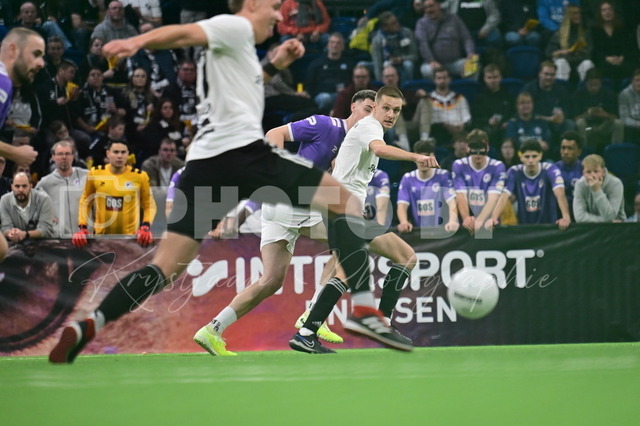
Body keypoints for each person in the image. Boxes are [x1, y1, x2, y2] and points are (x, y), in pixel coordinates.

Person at [49, 0, 420, 364]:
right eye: (274, 7)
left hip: (202, 164)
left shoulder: (238, 57)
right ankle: (359, 311)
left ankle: (91, 323)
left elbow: (249, 84)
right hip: (243, 155)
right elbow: (184, 33)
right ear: (252, 4)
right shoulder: (236, 26)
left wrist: (274, 65)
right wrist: (136, 42)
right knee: (346, 205)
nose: (278, 15)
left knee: (166, 269)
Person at [195, 90, 377, 354]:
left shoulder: (357, 144)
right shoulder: (325, 124)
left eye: (374, 113)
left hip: (280, 209)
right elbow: (274, 134)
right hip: (292, 203)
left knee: (270, 280)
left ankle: (212, 329)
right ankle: (314, 315)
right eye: (367, 109)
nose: (370, 117)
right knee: (351, 245)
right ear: (353, 107)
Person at [290, 86, 439, 354]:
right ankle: (322, 330)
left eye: (396, 110)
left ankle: (309, 332)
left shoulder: (367, 129)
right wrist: (416, 156)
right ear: (376, 107)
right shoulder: (371, 127)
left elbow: (342, 164)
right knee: (397, 259)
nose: (391, 114)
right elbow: (379, 150)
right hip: (342, 209)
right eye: (386, 108)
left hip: (343, 208)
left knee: (387, 261)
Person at [0, 27, 45, 261]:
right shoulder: (1, 83)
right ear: (13, 50)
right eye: (36, 54)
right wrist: (15, 153)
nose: (41, 63)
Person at [72, 140, 156, 244]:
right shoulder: (95, 173)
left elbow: (149, 205)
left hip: (129, 240)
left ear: (128, 154)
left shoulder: (140, 176)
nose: (119, 156)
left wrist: (146, 226)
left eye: (123, 152)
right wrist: (82, 226)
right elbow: (85, 200)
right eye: (116, 152)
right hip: (101, 239)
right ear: (108, 153)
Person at [492, 138, 571, 229]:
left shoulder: (550, 169)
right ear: (521, 157)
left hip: (548, 228)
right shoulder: (514, 172)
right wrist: (494, 218)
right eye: (527, 157)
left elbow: (560, 193)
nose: (531, 160)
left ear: (540, 156)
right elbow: (504, 196)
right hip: (524, 228)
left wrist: (566, 217)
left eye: (534, 156)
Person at [397, 139, 458, 232]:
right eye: (419, 156)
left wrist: (453, 221)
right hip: (418, 232)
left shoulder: (443, 176)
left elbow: (452, 201)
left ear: (433, 157)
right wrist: (404, 222)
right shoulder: (407, 178)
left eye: (427, 156)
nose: (423, 160)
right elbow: (402, 205)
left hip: (442, 231)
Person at [452, 129, 505, 233]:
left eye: (481, 149)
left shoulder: (497, 166)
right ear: (467, 148)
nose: (478, 154)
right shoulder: (459, 165)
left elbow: (493, 198)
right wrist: (466, 218)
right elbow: (460, 195)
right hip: (468, 224)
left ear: (487, 148)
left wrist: (480, 221)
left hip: (490, 222)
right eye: (474, 148)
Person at [34, 141, 89, 238]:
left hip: (86, 236)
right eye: (60, 154)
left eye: (67, 154)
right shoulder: (45, 183)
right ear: (53, 157)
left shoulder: (87, 176)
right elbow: (33, 209)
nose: (64, 157)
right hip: (59, 239)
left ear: (73, 156)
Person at [415, 0, 477, 80]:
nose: (428, 10)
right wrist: (431, 60)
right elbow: (422, 44)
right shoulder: (421, 23)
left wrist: (470, 52)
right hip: (434, 63)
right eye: (425, 8)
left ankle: (467, 88)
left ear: (439, 5)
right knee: (427, 71)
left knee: (473, 66)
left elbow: (466, 38)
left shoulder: (454, 18)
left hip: (455, 62)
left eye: (431, 6)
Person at [521, 61, 575, 149]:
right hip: (535, 123)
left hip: (556, 124)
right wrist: (548, 119)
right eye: (546, 74)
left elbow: (568, 109)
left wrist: (562, 116)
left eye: (552, 75)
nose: (549, 77)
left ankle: (567, 152)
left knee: (569, 124)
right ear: (539, 74)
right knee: (546, 131)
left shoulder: (561, 90)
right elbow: (524, 113)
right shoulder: (529, 89)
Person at [573, 67, 623, 151]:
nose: (594, 87)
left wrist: (605, 114)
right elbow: (575, 119)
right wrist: (587, 114)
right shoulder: (578, 95)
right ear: (586, 83)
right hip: (588, 128)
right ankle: (583, 153)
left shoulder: (609, 95)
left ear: (601, 83)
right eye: (591, 85)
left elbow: (615, 117)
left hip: (603, 127)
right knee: (580, 123)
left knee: (618, 123)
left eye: (596, 85)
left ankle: (615, 152)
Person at [141, 138, 184, 234]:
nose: (168, 153)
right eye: (165, 150)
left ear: (176, 153)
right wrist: (171, 194)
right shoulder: (149, 165)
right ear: (159, 151)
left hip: (174, 207)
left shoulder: (180, 166)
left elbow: (183, 191)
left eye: (172, 150)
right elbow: (152, 191)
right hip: (155, 206)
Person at [304, 32, 354, 114]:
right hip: (322, 95)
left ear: (343, 46)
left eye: (338, 43)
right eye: (332, 42)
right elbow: (310, 83)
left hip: (342, 95)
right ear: (327, 45)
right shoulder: (317, 63)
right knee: (325, 98)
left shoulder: (349, 64)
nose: (334, 45)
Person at [0, 171, 55, 242]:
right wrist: (11, 233)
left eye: (24, 186)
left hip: (42, 243)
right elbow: (5, 227)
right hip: (15, 243)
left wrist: (25, 234)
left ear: (31, 186)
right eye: (17, 186)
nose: (20, 190)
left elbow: (45, 230)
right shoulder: (4, 200)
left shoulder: (44, 199)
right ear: (12, 187)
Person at [545, 4, 594, 82]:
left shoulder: (585, 33)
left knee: (587, 63)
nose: (578, 15)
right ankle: (561, 87)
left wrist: (581, 50)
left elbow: (589, 51)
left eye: (579, 13)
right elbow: (549, 52)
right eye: (575, 13)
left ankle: (586, 88)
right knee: (561, 63)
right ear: (569, 16)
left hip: (579, 61)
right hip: (564, 60)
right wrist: (561, 52)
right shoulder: (559, 33)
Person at [573, 154, 626, 223]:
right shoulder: (579, 185)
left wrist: (597, 190)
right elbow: (579, 217)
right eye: (588, 172)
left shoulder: (616, 184)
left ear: (603, 172)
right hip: (590, 227)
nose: (592, 175)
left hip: (617, 227)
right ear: (583, 173)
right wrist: (606, 221)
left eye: (596, 171)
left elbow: (610, 216)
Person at [471, 64, 514, 147]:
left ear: (500, 78)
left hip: (505, 130)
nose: (492, 81)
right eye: (489, 78)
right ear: (484, 79)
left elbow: (514, 113)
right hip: (486, 130)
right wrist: (488, 121)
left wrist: (508, 122)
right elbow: (475, 119)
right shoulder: (479, 98)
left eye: (495, 77)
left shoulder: (508, 96)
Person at [370, 11, 418, 83]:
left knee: (408, 65)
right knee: (361, 64)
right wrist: (380, 82)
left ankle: (407, 86)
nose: (397, 24)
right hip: (385, 63)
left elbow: (414, 56)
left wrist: (401, 59)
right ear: (385, 27)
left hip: (403, 62)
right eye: (393, 23)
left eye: (396, 21)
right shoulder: (377, 40)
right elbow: (377, 63)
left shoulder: (406, 33)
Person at [427, 67, 471, 146]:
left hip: (460, 132)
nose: (442, 81)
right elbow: (431, 121)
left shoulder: (460, 98)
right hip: (440, 133)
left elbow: (467, 117)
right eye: (439, 78)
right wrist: (447, 126)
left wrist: (461, 126)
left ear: (450, 79)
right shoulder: (428, 99)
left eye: (445, 78)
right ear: (434, 80)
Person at [554, 131, 583, 218]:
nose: (565, 152)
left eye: (570, 148)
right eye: (563, 148)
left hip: (581, 215)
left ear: (579, 151)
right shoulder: (553, 170)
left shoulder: (585, 170)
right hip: (557, 216)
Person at [618, 69, 640, 144]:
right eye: (637, 80)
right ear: (632, 81)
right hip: (632, 127)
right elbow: (624, 118)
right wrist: (637, 124)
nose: (639, 83)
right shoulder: (624, 94)